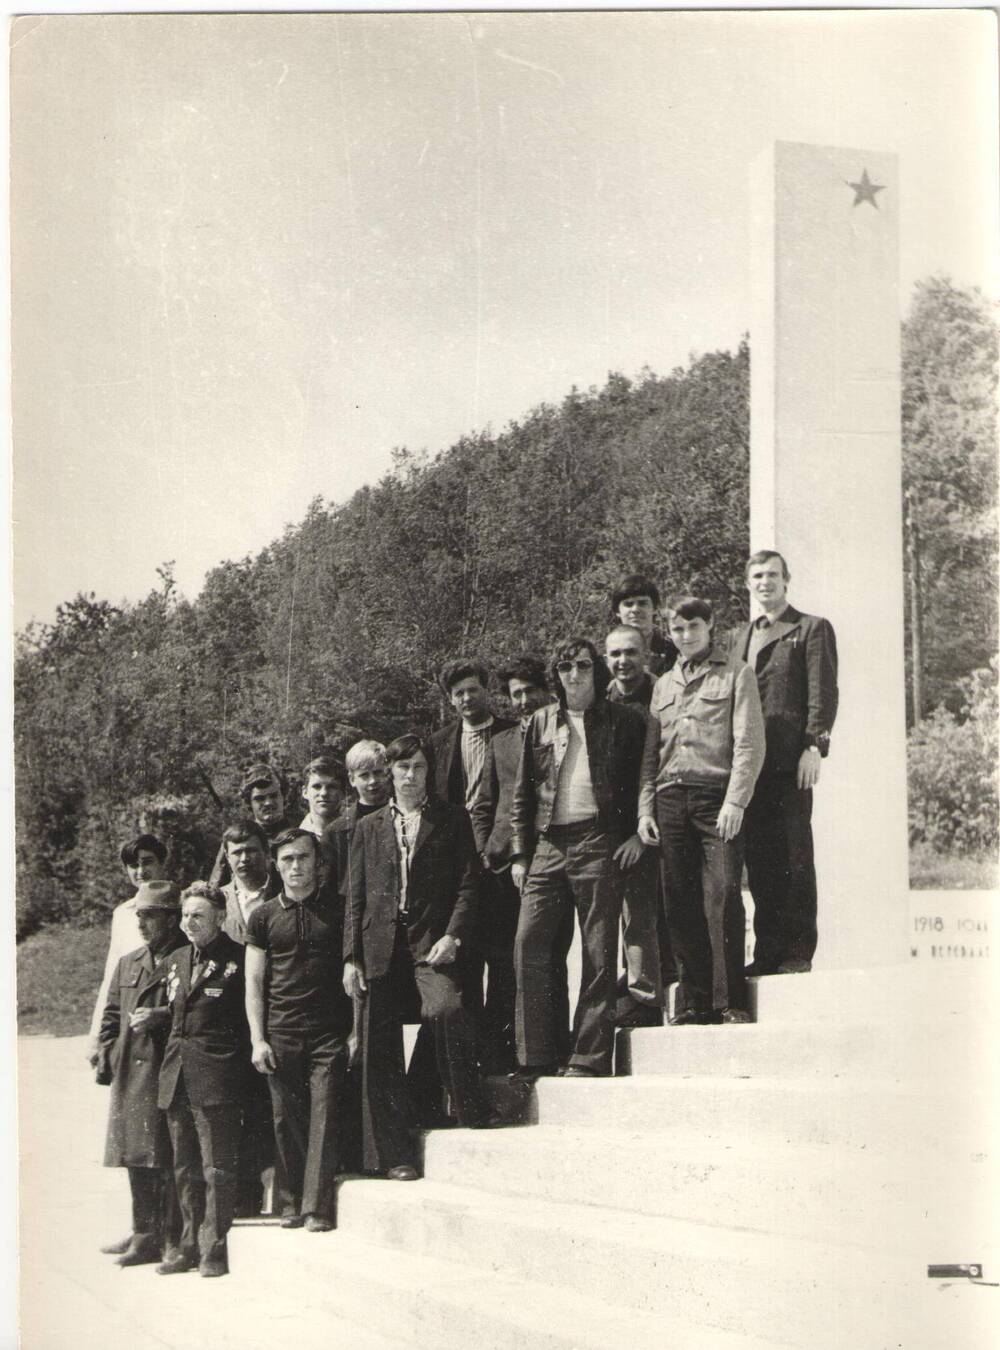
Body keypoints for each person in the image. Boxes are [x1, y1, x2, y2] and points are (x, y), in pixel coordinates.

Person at [344, 734, 500, 1181]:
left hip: (430, 942)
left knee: (447, 1008)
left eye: (417, 767)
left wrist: (453, 936)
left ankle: (469, 1108)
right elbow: (355, 900)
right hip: (380, 949)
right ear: (389, 774)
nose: (409, 776)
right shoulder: (367, 827)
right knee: (379, 1045)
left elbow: (470, 885)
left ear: (428, 771)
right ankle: (394, 1155)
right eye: (401, 768)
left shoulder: (452, 819)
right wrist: (351, 958)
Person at [510, 637, 647, 1078]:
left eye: (583, 666)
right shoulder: (539, 722)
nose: (574, 674)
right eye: (566, 666)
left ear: (596, 671)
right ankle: (538, 1055)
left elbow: (640, 781)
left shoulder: (623, 721)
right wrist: (519, 855)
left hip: (597, 841)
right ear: (557, 674)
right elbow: (522, 796)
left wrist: (634, 837)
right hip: (549, 844)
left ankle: (588, 1056)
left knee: (598, 951)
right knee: (529, 942)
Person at [638, 597, 765, 1024]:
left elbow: (749, 743)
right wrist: (646, 810)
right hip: (670, 799)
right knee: (679, 899)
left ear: (710, 626)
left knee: (725, 892)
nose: (686, 635)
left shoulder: (736, 674)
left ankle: (730, 1001)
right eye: (678, 629)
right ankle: (693, 1002)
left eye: (694, 626)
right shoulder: (662, 686)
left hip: (716, 797)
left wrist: (736, 800)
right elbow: (650, 757)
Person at [731, 550, 839, 975]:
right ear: (748, 584)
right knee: (759, 863)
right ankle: (768, 951)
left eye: (773, 575)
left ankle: (797, 951)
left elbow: (822, 690)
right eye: (757, 576)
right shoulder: (738, 637)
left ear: (786, 580)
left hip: (790, 761)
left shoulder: (811, 628)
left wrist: (814, 745)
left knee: (794, 857)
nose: (765, 582)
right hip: (749, 767)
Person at [470, 654, 574, 1071]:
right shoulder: (502, 742)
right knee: (508, 961)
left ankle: (556, 1046)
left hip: (551, 857)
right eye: (516, 694)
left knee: (550, 956)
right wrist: (486, 852)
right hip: (505, 868)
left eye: (531, 691)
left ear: (548, 691)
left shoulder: (567, 731)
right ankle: (511, 1053)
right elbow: (484, 804)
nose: (524, 700)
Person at [245, 828, 352, 1230]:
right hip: (281, 1031)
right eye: (287, 859)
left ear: (318, 863)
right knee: (284, 1119)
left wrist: (354, 1032)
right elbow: (253, 983)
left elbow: (356, 976)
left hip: (328, 1032)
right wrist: (258, 1039)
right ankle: (288, 1203)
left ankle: (316, 1208)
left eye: (303, 858)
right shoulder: (263, 916)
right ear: (276, 864)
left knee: (324, 1114)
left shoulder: (341, 911)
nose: (296, 866)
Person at [429, 658, 516, 1074]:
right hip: (457, 874)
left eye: (473, 690)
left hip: (499, 870)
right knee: (463, 971)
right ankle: (468, 1064)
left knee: (502, 964)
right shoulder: (440, 742)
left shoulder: (512, 733)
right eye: (459, 693)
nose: (467, 699)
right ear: (450, 700)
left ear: (487, 690)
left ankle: (499, 1056)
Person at [157, 883, 249, 1277]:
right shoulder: (176, 958)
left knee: (217, 1167)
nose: (188, 923)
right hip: (176, 1076)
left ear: (219, 918)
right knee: (184, 1166)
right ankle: (188, 1243)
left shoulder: (240, 959)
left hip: (217, 1077)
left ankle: (214, 1246)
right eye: (185, 915)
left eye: (198, 916)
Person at [97, 879, 187, 1267]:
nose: (142, 924)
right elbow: (111, 1014)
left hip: (165, 1072)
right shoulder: (128, 962)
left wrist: (162, 1016)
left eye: (150, 916)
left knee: (165, 1158)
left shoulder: (188, 957)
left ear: (172, 918)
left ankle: (170, 1238)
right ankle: (143, 1232)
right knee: (135, 1156)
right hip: (130, 1074)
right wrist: (107, 1050)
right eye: (140, 916)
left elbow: (198, 1010)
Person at [605, 624, 669, 1028]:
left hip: (656, 821)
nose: (623, 661)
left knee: (648, 911)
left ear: (646, 653)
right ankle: (630, 991)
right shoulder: (600, 698)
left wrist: (642, 831)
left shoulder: (662, 695)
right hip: (611, 828)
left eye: (631, 652)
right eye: (615, 654)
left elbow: (665, 766)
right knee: (622, 914)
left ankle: (646, 998)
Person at [218, 820, 282, 1217]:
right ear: (226, 857)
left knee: (271, 1109)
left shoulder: (281, 893)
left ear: (266, 853)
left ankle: (277, 1193)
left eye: (252, 850)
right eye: (236, 852)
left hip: (273, 1014)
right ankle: (241, 1199)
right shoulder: (218, 899)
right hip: (227, 1023)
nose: (244, 859)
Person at [87, 834, 169, 1063]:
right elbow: (111, 976)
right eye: (133, 865)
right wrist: (97, 1037)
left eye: (147, 862)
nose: (140, 871)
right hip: (132, 1017)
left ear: (162, 863)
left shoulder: (181, 906)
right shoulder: (122, 914)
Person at [208, 762, 291, 888]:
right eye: (260, 799)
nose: (268, 803)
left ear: (283, 797)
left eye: (274, 796)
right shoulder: (237, 840)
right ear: (249, 803)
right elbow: (215, 888)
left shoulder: (299, 831)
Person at [610, 573, 677, 677]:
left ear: (655, 608)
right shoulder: (607, 652)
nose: (635, 609)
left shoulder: (674, 651)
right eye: (628, 604)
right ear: (617, 611)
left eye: (642, 603)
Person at [299, 754, 347, 838]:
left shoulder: (354, 833)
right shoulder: (296, 838)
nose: (324, 793)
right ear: (305, 792)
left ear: (342, 793)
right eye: (316, 786)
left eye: (332, 787)